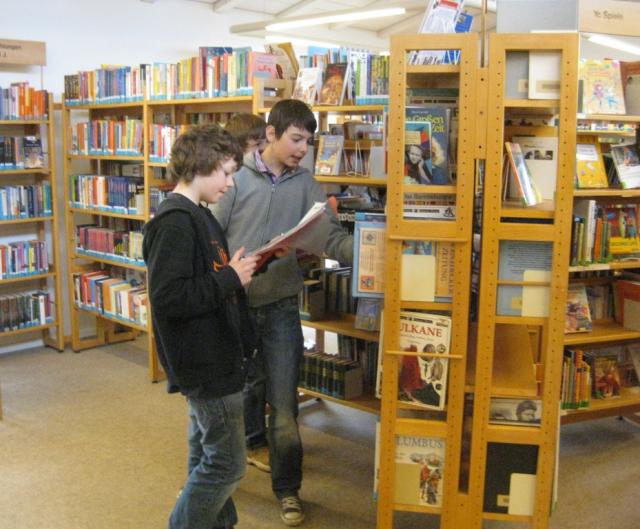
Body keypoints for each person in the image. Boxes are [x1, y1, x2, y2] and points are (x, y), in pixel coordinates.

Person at [211, 99, 353, 527]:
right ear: (271, 134)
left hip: (281, 307)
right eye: (296, 139)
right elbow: (210, 235)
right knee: (230, 399)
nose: (303, 149)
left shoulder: (306, 184)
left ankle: (288, 489)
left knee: (286, 407)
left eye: (308, 142)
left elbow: (330, 238)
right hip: (233, 305)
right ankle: (219, 480)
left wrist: (371, 251)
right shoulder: (235, 178)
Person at [142, 124, 259, 529]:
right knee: (227, 466)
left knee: (206, 455)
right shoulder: (175, 222)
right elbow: (169, 297)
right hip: (205, 362)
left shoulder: (201, 215)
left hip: (217, 354)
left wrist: (235, 274)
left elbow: (207, 278)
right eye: (226, 173)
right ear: (201, 165)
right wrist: (229, 279)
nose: (230, 183)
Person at [224, 113, 272, 475]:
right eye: (257, 145)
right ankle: (247, 442)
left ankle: (252, 439)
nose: (262, 152)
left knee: (256, 374)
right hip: (232, 287)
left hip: (254, 280)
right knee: (245, 375)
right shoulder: (230, 182)